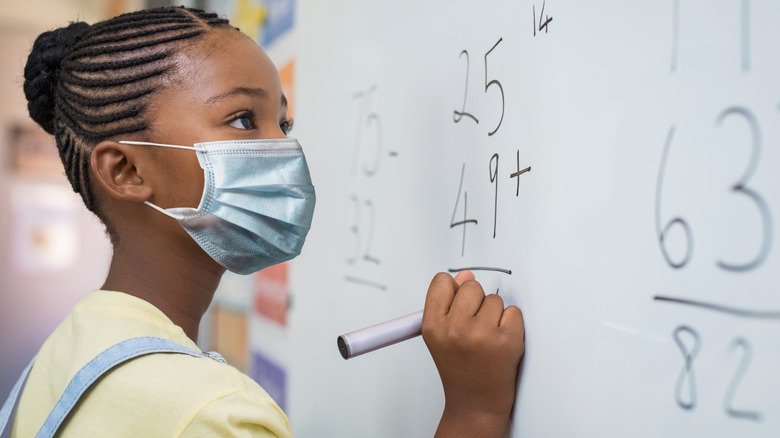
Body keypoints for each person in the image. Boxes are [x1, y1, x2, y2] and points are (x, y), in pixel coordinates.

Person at [1, 6, 525, 437]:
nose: (284, 148)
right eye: (243, 120)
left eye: (284, 122)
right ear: (127, 170)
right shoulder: (207, 414)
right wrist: (474, 411)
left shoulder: (65, 356)